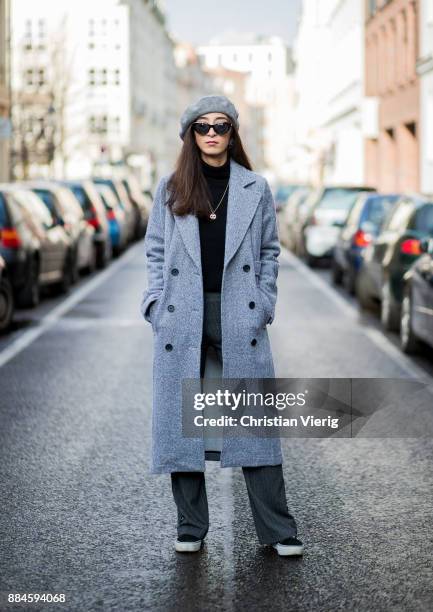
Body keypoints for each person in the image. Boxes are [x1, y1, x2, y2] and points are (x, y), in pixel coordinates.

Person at [140, 95, 303, 557]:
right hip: (181, 315)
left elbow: (270, 249)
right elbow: (155, 251)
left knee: (252, 421)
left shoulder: (255, 187)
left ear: (233, 133)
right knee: (183, 425)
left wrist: (264, 302)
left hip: (239, 312)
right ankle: (191, 526)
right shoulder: (171, 187)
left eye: (222, 126)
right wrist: (155, 302)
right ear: (190, 135)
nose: (212, 134)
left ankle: (278, 529)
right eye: (203, 127)